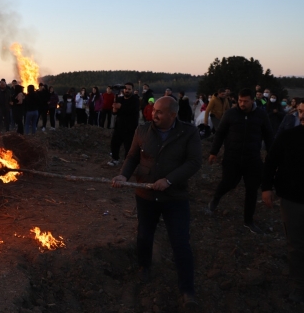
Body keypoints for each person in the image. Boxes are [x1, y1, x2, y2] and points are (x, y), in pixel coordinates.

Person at [112, 97, 201, 308]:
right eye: (154, 111)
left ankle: (187, 289)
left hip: (175, 198)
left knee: (180, 242)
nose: (154, 115)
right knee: (144, 234)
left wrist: (169, 180)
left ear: (173, 115)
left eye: (160, 112)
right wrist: (124, 175)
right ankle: (144, 267)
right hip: (146, 195)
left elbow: (194, 162)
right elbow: (132, 157)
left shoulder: (188, 132)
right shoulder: (142, 131)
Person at [207, 88, 274, 234]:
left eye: (245, 101)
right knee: (229, 183)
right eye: (240, 101)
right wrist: (213, 152)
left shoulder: (261, 115)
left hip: (253, 159)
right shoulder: (230, 114)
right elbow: (220, 133)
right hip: (232, 158)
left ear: (252, 101)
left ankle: (248, 221)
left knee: (252, 189)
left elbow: (269, 135)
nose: (242, 104)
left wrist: (272, 155)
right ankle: (215, 199)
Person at [261, 100, 304, 303]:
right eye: (302, 112)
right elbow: (271, 161)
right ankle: (298, 285)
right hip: (293, 199)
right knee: (295, 244)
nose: (303, 116)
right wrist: (267, 188)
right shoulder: (288, 137)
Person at [108, 83, 139, 166]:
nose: (127, 90)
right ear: (123, 90)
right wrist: (114, 110)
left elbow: (132, 110)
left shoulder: (135, 100)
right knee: (114, 143)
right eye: (126, 89)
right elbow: (115, 113)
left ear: (132, 90)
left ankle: (127, 163)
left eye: (129, 89)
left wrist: (120, 107)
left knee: (128, 146)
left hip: (130, 127)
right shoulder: (120, 99)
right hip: (119, 126)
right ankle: (115, 159)